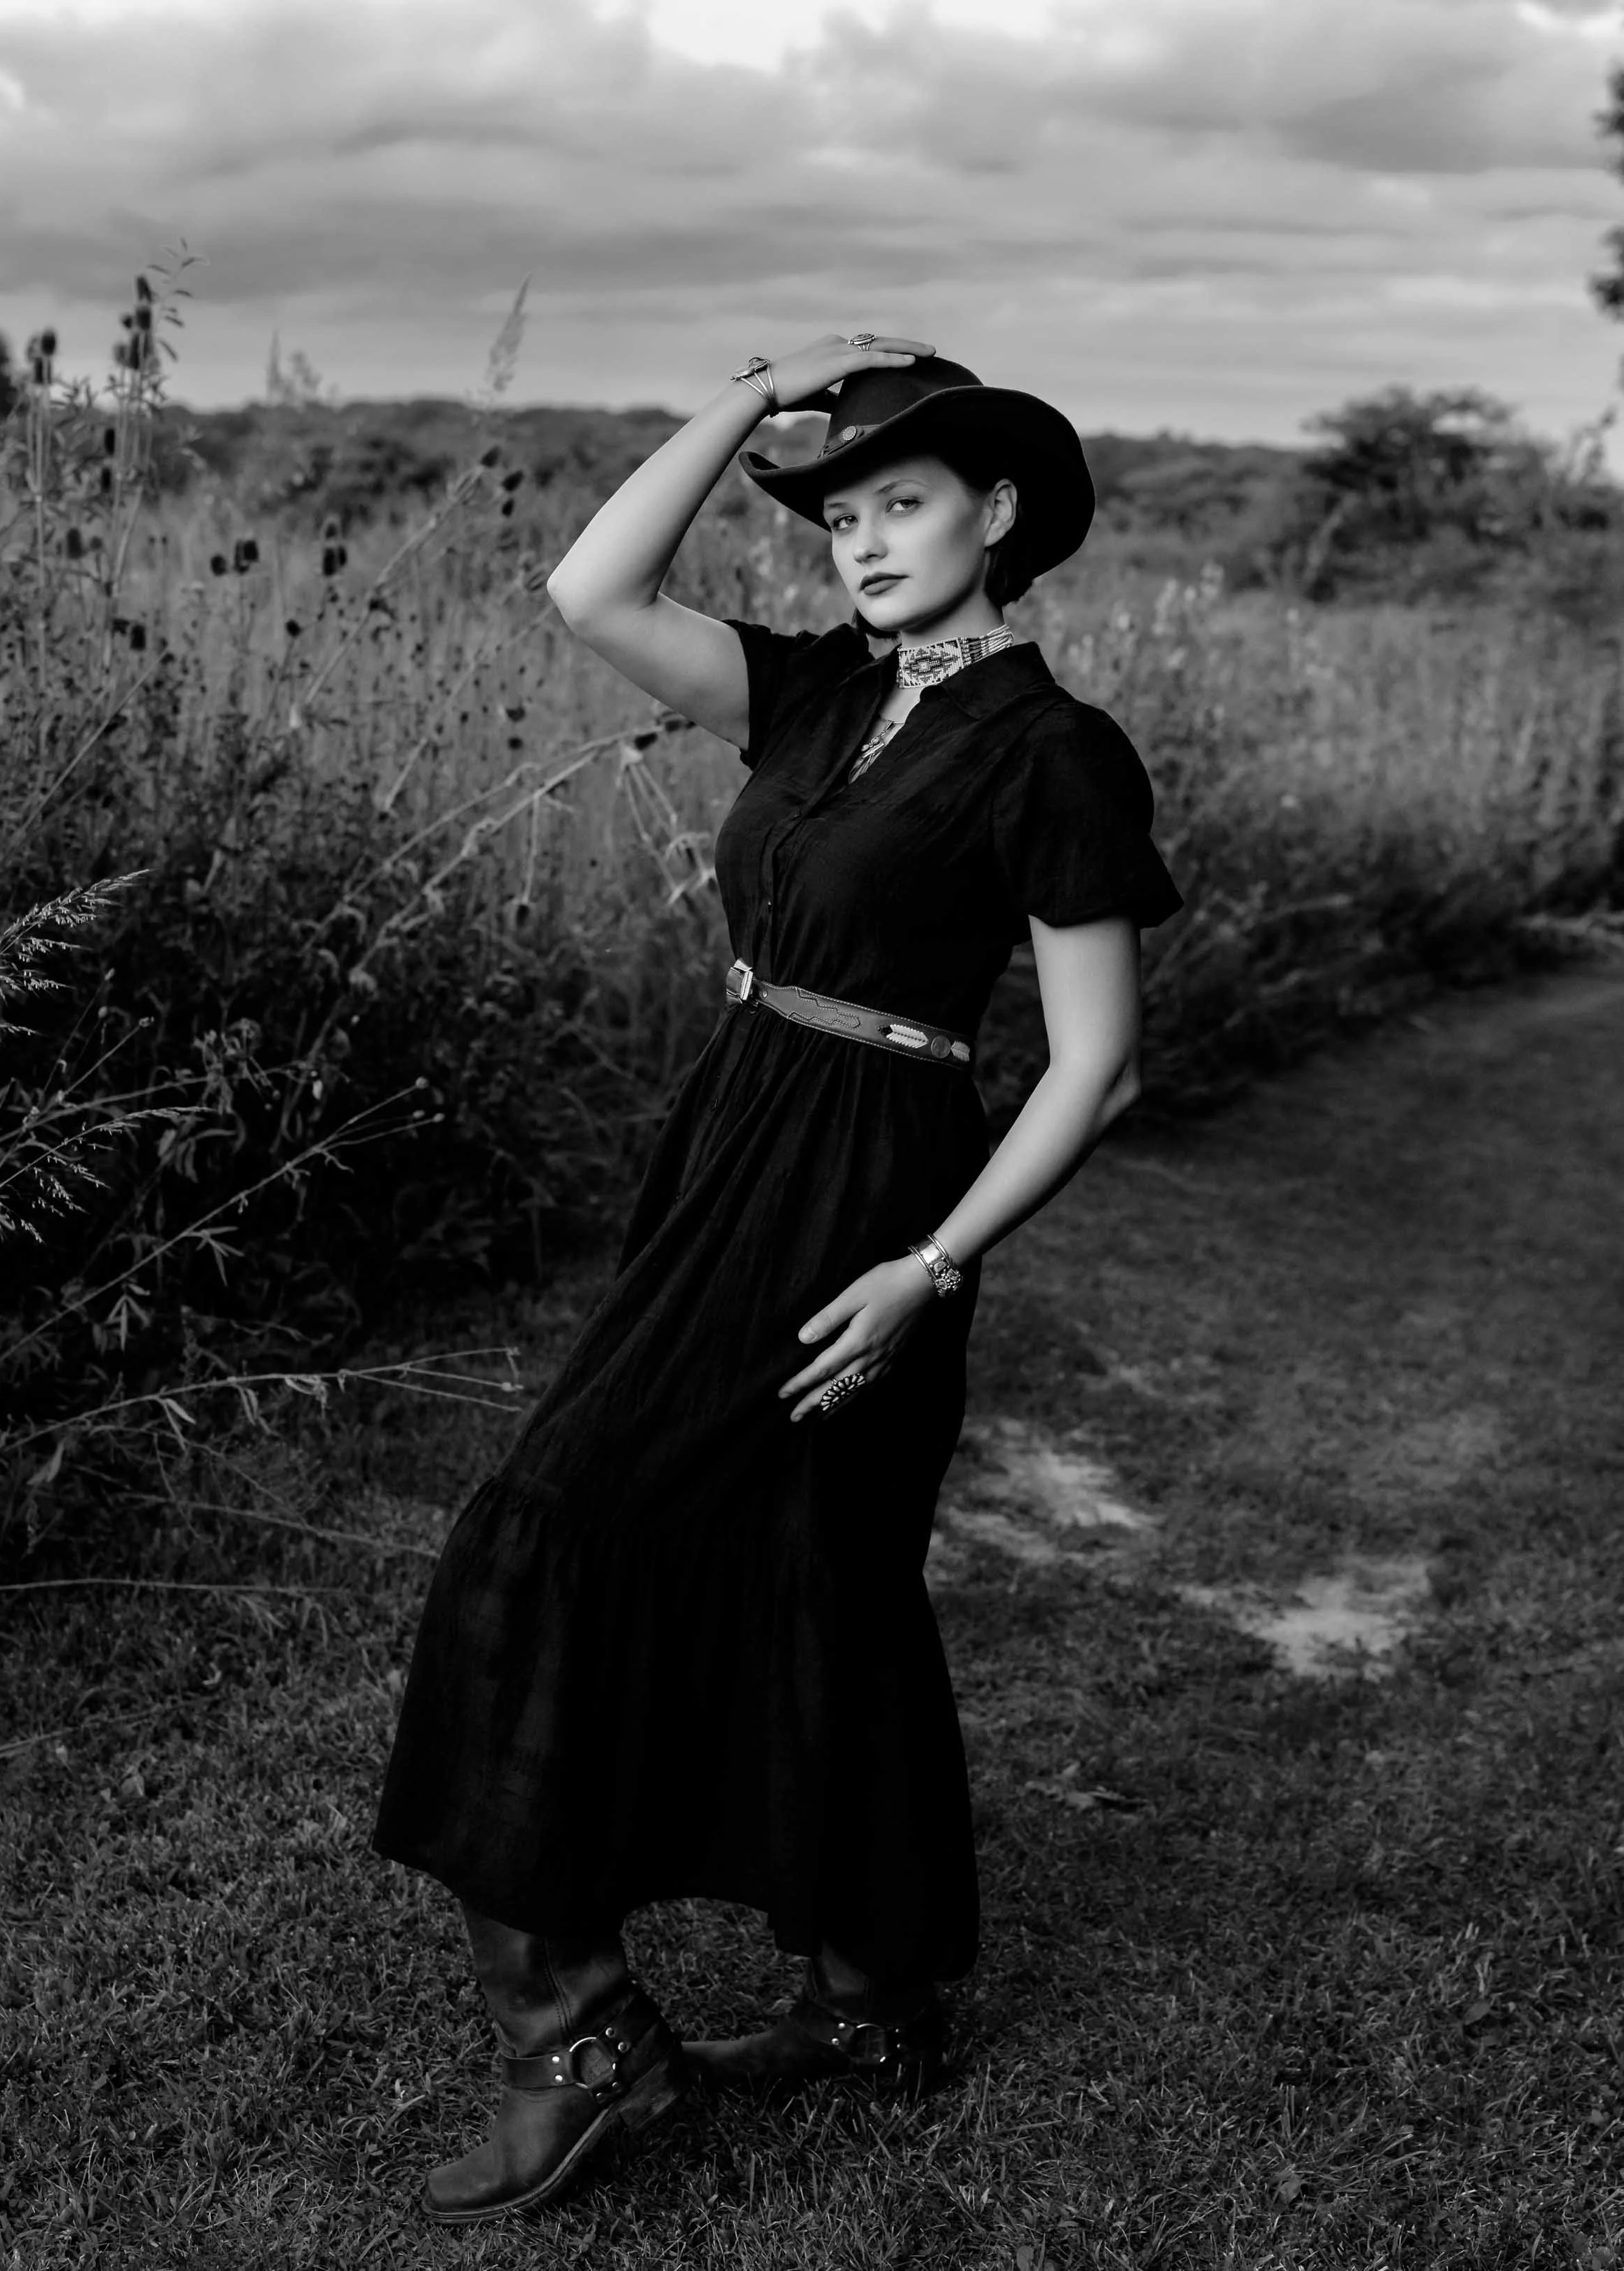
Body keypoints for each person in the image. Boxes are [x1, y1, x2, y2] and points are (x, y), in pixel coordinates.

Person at [372, 334, 1184, 2225]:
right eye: (838, 516)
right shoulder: (817, 696)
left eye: (902, 502)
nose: (864, 541)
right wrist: (751, 399)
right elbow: (591, 590)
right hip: (735, 1131)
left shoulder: (1058, 755)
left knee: (561, 1525)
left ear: (997, 515)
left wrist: (930, 1267)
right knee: (818, 1576)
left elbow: (1093, 1062)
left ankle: (585, 2039)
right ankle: (873, 1997)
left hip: (874, 1188)